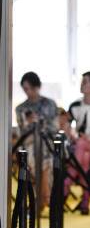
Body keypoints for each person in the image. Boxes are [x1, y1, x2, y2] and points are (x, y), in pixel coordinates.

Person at [15, 72, 58, 209]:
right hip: (29, 144)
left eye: (29, 88)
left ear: (37, 86)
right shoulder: (20, 108)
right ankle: (45, 197)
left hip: (48, 143)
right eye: (25, 89)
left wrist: (40, 121)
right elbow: (22, 132)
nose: (28, 92)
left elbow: (54, 128)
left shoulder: (50, 104)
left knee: (43, 154)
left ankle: (40, 199)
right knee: (36, 155)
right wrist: (29, 123)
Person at [65, 72, 90, 215]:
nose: (81, 84)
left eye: (85, 82)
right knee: (84, 156)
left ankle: (65, 187)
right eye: (82, 81)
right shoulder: (75, 105)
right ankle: (85, 202)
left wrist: (88, 139)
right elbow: (65, 124)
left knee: (84, 146)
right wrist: (72, 134)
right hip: (79, 148)